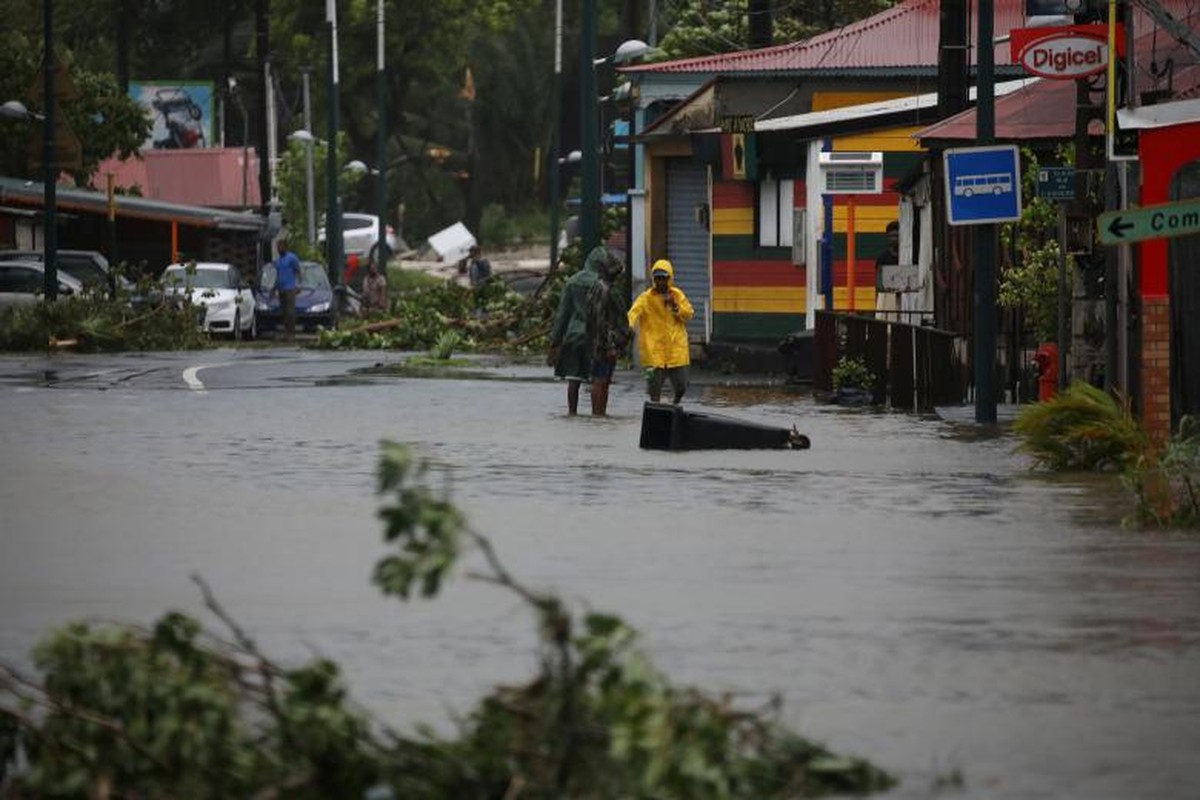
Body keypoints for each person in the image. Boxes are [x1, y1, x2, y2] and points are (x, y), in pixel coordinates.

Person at [548, 245, 606, 415]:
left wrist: (555, 343)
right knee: (598, 380)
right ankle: (598, 418)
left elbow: (562, 316)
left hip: (574, 335)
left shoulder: (572, 282)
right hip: (596, 337)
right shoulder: (604, 284)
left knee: (573, 379)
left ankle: (572, 414)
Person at [627, 258, 694, 404]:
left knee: (682, 386)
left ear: (670, 279)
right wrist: (629, 326)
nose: (660, 282)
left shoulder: (677, 295)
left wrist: (675, 307)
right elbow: (633, 312)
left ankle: (675, 404)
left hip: (676, 351)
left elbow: (689, 314)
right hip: (653, 353)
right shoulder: (646, 298)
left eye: (663, 278)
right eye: (657, 279)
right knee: (654, 389)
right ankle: (656, 414)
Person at [584, 248, 630, 416]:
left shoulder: (596, 287)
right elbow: (604, 320)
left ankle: (599, 415)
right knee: (601, 380)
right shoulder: (607, 291)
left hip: (596, 342)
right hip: (605, 344)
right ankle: (598, 415)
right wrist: (611, 345)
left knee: (601, 380)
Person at [273, 237, 302, 342]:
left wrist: (299, 285)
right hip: (281, 289)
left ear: (285, 247)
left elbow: (298, 271)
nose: (279, 249)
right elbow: (278, 275)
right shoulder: (278, 261)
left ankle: (292, 333)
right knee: (284, 312)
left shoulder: (292, 258)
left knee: (290, 312)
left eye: (281, 246)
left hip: (290, 288)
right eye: (277, 247)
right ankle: (286, 333)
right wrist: (274, 288)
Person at [874, 220, 901, 320]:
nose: (894, 239)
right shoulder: (882, 258)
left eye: (896, 236)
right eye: (891, 236)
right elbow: (878, 284)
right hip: (888, 298)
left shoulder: (907, 256)